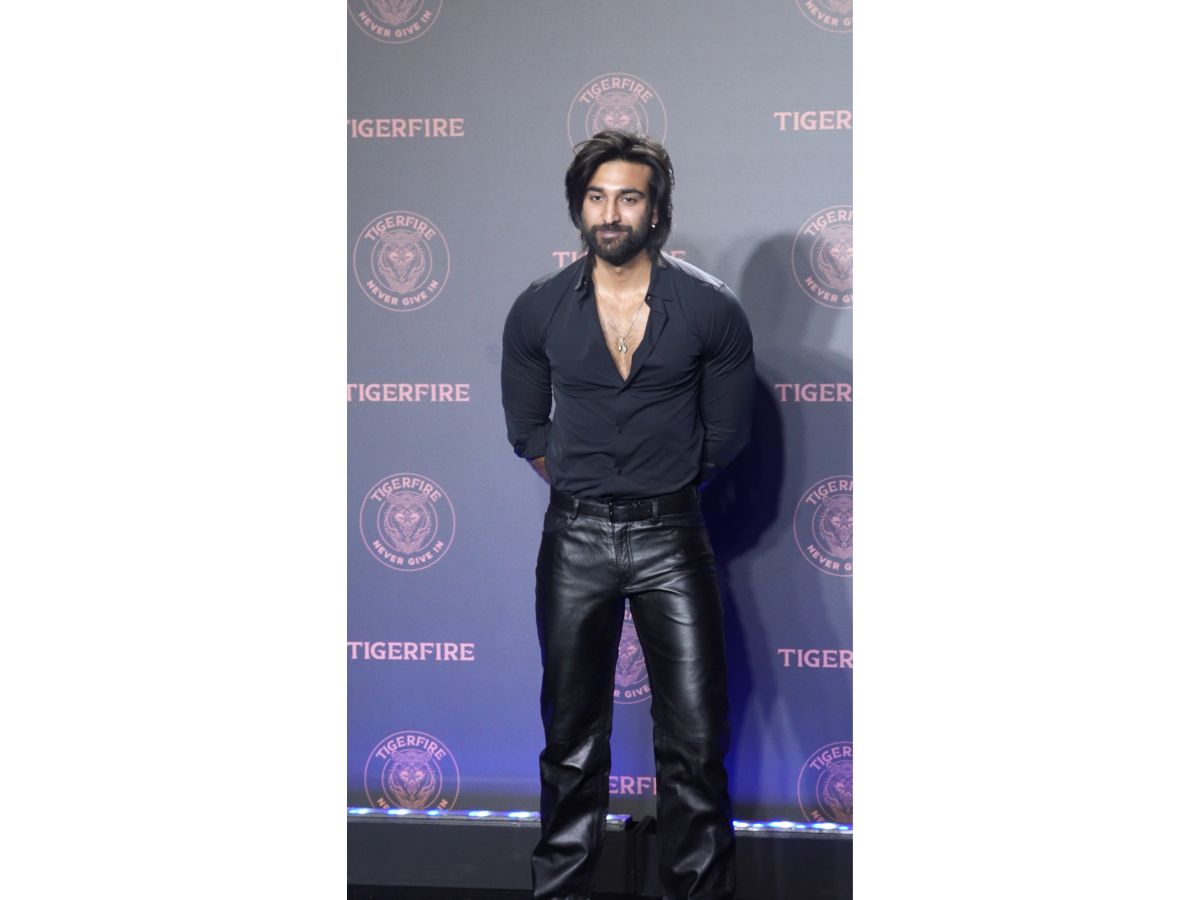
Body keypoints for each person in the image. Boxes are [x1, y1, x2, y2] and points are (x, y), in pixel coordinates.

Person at [501, 129, 754, 900]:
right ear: (579, 207)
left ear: (657, 209)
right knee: (570, 744)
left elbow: (725, 439)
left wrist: (655, 486)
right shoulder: (538, 309)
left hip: (672, 537)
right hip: (573, 539)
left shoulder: (711, 308)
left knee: (695, 745)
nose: (611, 213)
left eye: (629, 197)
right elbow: (529, 433)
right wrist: (592, 489)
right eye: (597, 197)